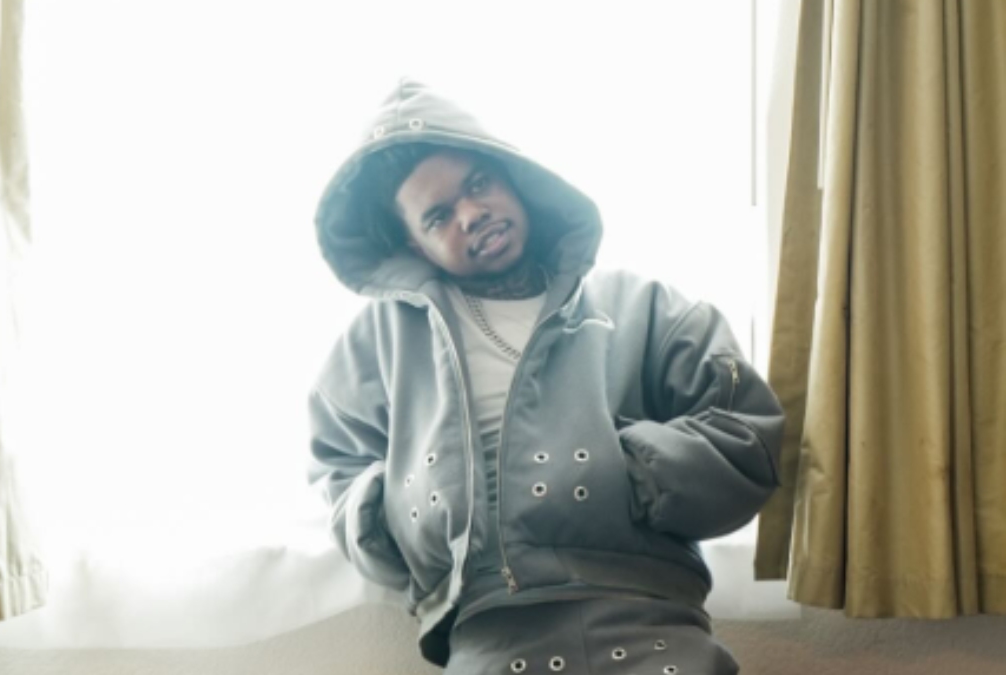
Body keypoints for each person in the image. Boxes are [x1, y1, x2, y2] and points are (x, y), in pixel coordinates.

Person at [307, 79, 785, 675]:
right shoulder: (372, 347)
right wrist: (409, 508)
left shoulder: (644, 306)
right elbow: (339, 468)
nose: (472, 214)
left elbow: (747, 433)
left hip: (653, 618)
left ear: (512, 177)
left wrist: (623, 470)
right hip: (485, 637)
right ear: (414, 242)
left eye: (478, 185)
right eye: (439, 215)